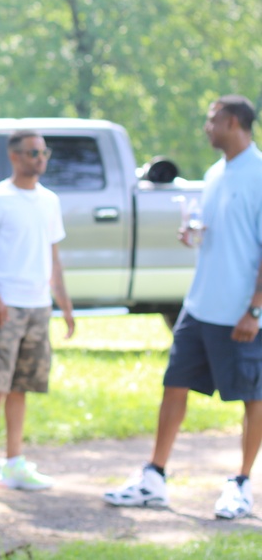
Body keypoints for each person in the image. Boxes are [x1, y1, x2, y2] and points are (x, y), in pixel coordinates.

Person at [104, 94, 262, 520]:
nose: (206, 128)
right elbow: (222, 235)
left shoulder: (259, 174)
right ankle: (154, 477)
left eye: (211, 120)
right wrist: (195, 235)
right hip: (200, 303)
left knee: (252, 396)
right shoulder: (215, 173)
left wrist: (256, 310)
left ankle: (242, 484)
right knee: (174, 384)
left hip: (242, 311)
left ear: (232, 122)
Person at [0, 129, 75, 497]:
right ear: (15, 156)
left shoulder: (49, 201)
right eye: (33, 153)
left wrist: (64, 303)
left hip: (38, 307)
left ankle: (15, 463)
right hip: (6, 308)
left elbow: (53, 257)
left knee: (21, 387)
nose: (40, 159)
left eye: (44, 152)